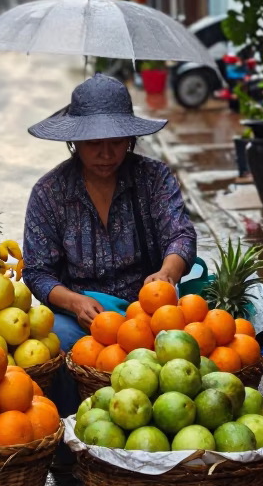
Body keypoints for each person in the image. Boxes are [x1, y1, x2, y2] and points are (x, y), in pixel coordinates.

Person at [23, 73, 197, 415]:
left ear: (130, 139)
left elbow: (181, 235)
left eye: (116, 142)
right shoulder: (49, 192)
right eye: (93, 144)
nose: (106, 154)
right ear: (75, 142)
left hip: (147, 310)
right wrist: (75, 302)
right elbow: (37, 271)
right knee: (53, 338)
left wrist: (166, 275)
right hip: (80, 316)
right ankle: (71, 441)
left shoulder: (153, 178)